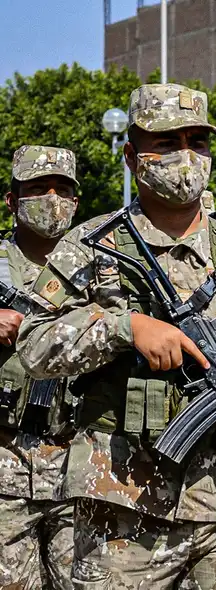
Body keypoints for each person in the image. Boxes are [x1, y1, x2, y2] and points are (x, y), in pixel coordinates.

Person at [17, 82, 216, 589]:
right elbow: (33, 343)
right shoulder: (88, 247)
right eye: (167, 143)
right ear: (132, 157)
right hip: (121, 510)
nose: (185, 156)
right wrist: (123, 327)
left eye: (197, 142)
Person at [0, 145, 80, 589]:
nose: (52, 198)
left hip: (81, 470)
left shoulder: (103, 270)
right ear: (12, 200)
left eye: (63, 189)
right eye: (37, 188)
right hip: (5, 467)